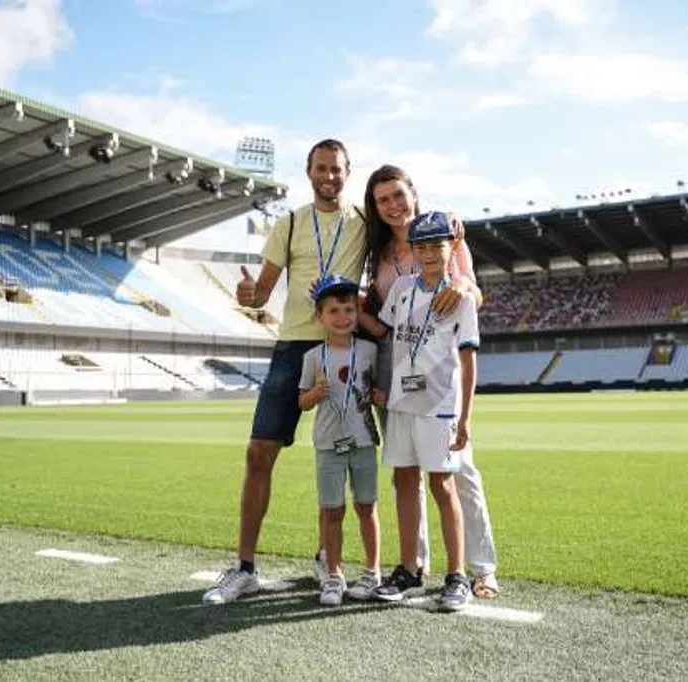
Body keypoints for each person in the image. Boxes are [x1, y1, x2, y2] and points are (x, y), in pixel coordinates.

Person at [203, 139, 367, 605]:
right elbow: (260, 296)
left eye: (336, 169)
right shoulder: (290, 223)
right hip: (294, 343)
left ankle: (326, 559)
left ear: (347, 172)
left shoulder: (362, 223)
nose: (329, 175)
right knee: (258, 452)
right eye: (321, 168)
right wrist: (247, 294)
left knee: (339, 456)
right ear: (309, 171)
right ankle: (245, 568)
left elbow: (403, 229)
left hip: (344, 346)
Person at [361, 164, 499, 599]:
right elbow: (382, 322)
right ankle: (412, 565)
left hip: (441, 381)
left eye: (398, 195)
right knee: (405, 474)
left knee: (457, 475)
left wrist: (460, 285)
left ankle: (477, 570)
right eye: (382, 200)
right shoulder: (379, 253)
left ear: (413, 194)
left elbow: (472, 291)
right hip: (398, 374)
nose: (392, 206)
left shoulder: (448, 234)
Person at [298, 275, 384, 606]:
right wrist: (315, 394)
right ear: (320, 317)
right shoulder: (312, 358)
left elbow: (376, 388)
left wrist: (377, 395)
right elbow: (301, 402)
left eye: (349, 309)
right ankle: (333, 575)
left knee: (367, 507)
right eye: (334, 310)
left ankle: (372, 571)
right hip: (328, 445)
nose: (343, 317)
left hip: (363, 441)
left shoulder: (370, 350)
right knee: (332, 511)